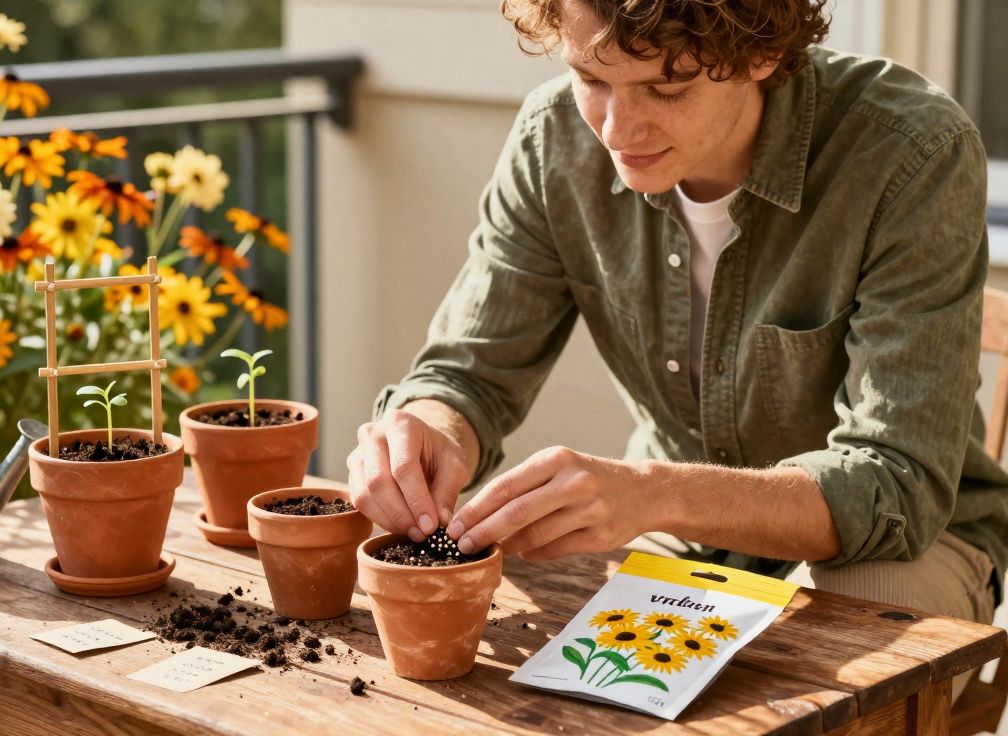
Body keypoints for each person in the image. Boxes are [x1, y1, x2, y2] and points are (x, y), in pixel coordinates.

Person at [345, 0, 1007, 702]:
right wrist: (429, 425)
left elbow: (895, 487)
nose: (616, 129)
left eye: (666, 88)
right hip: (680, 538)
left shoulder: (910, 150)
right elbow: (468, 372)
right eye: (590, 79)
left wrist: (652, 493)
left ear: (763, 54)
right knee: (520, 670)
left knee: (825, 662)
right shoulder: (554, 142)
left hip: (906, 545)